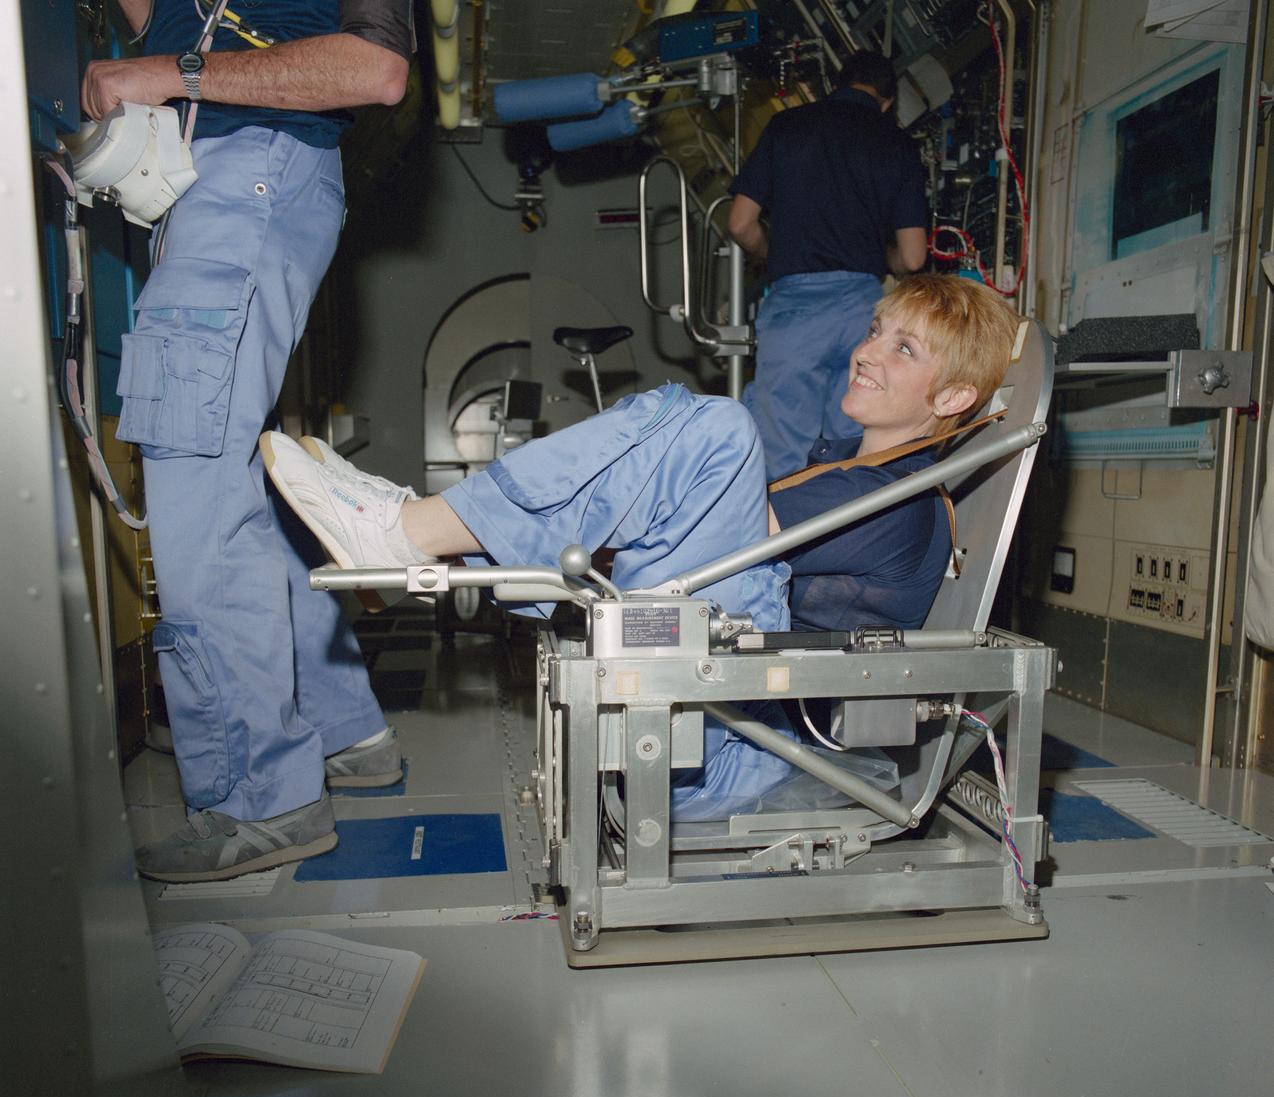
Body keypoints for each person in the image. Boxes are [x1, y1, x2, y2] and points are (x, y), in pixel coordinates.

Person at [262, 276, 1019, 829]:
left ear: (951, 399)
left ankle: (413, 535)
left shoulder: (900, 505)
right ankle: (421, 543)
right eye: (877, 329)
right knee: (689, 430)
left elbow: (696, 521)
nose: (866, 352)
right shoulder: (840, 469)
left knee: (716, 432)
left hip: (732, 742)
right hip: (705, 703)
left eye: (904, 346)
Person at [81, 0, 412, 882]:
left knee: (192, 471)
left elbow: (376, 68)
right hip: (226, 175)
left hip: (249, 166)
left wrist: (167, 74)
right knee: (229, 475)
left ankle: (259, 799)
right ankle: (347, 733)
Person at [727, 50, 929, 482]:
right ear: (888, 101)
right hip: (864, 313)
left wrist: (771, 251)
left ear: (835, 85)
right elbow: (912, 257)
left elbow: (740, 224)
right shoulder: (898, 145)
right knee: (851, 454)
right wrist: (881, 257)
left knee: (778, 456)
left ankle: (770, 547)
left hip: (794, 309)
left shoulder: (787, 126)